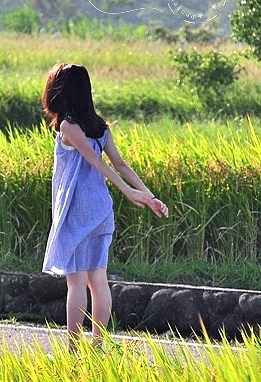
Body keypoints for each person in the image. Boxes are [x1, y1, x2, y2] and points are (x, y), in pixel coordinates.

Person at [40, 63, 168, 349]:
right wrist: (147, 195)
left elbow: (96, 163)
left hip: (77, 209)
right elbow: (120, 164)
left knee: (76, 282)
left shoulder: (68, 126)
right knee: (98, 279)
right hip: (100, 210)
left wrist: (135, 194)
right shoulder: (101, 127)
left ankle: (74, 348)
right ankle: (98, 347)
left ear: (58, 92)